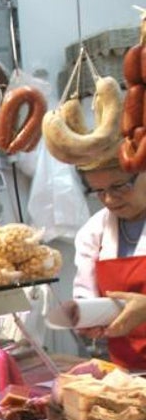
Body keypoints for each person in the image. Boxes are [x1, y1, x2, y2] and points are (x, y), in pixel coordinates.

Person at [73, 156, 146, 369]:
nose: (110, 200)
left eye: (119, 186)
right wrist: (86, 318)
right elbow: (84, 295)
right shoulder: (95, 231)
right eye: (99, 191)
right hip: (127, 373)